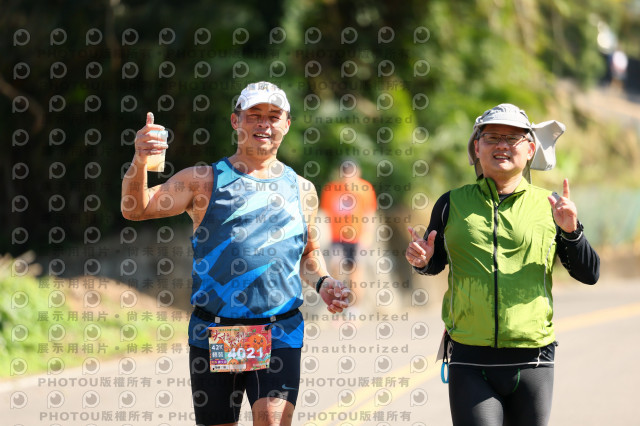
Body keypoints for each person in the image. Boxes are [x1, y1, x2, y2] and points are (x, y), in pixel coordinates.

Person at [121, 81, 351, 426]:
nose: (264, 124)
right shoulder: (203, 180)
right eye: (254, 115)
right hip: (216, 331)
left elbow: (308, 254)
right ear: (235, 121)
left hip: (279, 330)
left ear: (287, 124)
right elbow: (135, 208)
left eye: (273, 116)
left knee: (272, 420)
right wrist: (140, 161)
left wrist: (323, 282)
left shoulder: (303, 189)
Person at [405, 103, 600, 426]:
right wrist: (423, 260)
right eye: (492, 137)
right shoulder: (452, 203)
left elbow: (589, 273)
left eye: (512, 138)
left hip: (534, 358)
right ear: (476, 148)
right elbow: (434, 263)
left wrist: (572, 232)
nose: (502, 145)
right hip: (469, 358)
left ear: (530, 149)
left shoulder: (550, 206)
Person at [320, 160, 377, 302]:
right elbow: (326, 213)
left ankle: (355, 307)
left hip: (358, 237)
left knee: (356, 273)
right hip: (337, 237)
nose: (347, 176)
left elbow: (369, 213)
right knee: (335, 266)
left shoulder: (364, 188)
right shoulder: (330, 189)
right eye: (345, 172)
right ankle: (338, 301)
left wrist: (368, 235)